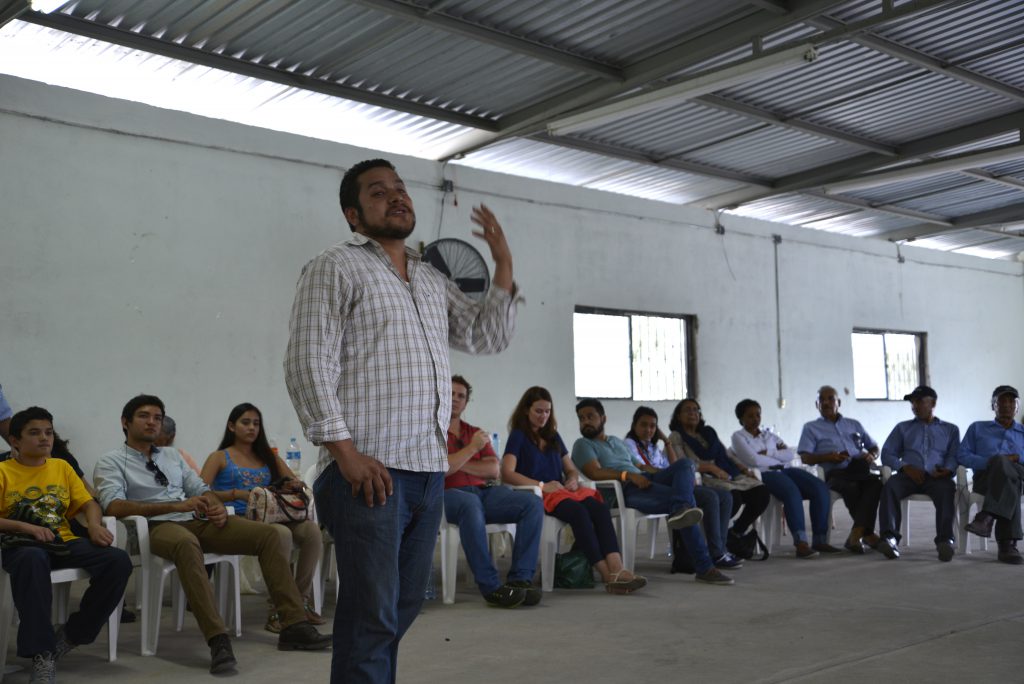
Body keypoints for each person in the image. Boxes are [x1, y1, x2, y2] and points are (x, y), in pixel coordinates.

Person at [284, 158, 519, 683]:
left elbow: (486, 337)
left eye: (400, 189)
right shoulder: (335, 267)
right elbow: (306, 361)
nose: (396, 197)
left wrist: (502, 263)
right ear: (353, 214)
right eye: (377, 192)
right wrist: (344, 452)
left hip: (428, 470)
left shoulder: (432, 279)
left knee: (402, 604)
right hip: (369, 469)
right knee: (374, 613)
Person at [94, 395, 330, 674]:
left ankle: (293, 624)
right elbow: (113, 505)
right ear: (125, 422)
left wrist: (213, 505)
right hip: (157, 528)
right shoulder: (111, 461)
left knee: (269, 535)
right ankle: (218, 639)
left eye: (157, 417)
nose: (152, 422)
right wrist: (175, 505)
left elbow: (199, 487)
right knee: (185, 543)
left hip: (196, 519)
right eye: (144, 416)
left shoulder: (172, 455)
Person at [0, 407, 132, 684]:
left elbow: (88, 503)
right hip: (21, 545)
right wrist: (27, 527)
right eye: (34, 433)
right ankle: (42, 653)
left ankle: (73, 634)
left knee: (117, 561)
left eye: (48, 432)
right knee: (32, 559)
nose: (44, 439)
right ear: (15, 441)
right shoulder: (3, 472)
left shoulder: (61, 467)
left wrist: (94, 526)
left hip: (63, 541)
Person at [571, 398, 735, 585]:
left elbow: (640, 465)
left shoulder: (616, 441)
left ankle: (682, 509)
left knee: (686, 465)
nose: (585, 421)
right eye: (581, 418)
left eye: (590, 416)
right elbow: (595, 472)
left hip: (645, 480)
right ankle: (705, 567)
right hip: (626, 490)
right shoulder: (582, 445)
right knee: (687, 504)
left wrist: (665, 474)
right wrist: (628, 476)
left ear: (603, 418)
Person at [500, 387, 646, 593]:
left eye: (547, 411)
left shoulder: (552, 435)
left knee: (599, 508)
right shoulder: (518, 436)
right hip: (538, 493)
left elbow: (570, 468)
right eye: (538, 411)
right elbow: (507, 473)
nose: (544, 416)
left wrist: (572, 479)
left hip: (561, 491)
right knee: (579, 513)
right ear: (526, 410)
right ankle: (606, 574)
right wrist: (541, 485)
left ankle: (618, 568)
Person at [200, 403, 325, 630]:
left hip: (273, 515)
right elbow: (200, 492)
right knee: (281, 533)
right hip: (237, 518)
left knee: (312, 532)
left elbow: (291, 482)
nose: (252, 428)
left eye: (256, 424)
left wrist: (294, 483)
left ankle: (300, 601)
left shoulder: (268, 456)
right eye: (245, 423)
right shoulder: (220, 457)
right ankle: (280, 607)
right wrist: (234, 494)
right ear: (231, 426)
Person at [444, 375, 543, 607]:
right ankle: (491, 587)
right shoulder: (432, 430)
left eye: (461, 396)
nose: (455, 399)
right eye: (450, 394)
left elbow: (493, 470)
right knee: (470, 504)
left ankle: (520, 580)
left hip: (484, 492)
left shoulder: (475, 432)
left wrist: (455, 462)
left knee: (532, 503)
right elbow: (441, 471)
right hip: (448, 496)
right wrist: (471, 450)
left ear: (466, 402)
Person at [730, 399, 841, 558]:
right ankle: (801, 543)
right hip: (764, 474)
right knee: (791, 492)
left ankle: (820, 540)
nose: (755, 419)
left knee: (820, 488)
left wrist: (768, 453)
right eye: (750, 416)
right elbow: (752, 460)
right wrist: (776, 456)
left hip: (785, 469)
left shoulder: (769, 435)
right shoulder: (738, 437)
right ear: (741, 418)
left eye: (758, 415)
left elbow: (789, 454)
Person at [668, 398, 770, 564]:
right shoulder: (676, 436)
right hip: (704, 477)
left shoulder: (708, 432)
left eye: (696, 410)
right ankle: (715, 542)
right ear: (678, 416)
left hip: (727, 473)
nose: (693, 413)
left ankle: (735, 533)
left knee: (761, 492)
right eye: (687, 410)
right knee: (732, 497)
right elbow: (682, 463)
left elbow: (726, 454)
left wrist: (744, 469)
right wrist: (710, 468)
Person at [877, 386, 959, 562]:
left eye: (920, 401)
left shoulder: (950, 430)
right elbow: (887, 453)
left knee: (947, 489)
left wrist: (948, 469)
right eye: (912, 402)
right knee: (890, 486)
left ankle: (945, 541)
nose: (915, 406)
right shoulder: (902, 428)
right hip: (908, 475)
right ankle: (889, 538)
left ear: (933, 403)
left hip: (936, 477)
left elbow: (953, 455)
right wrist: (904, 466)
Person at [797, 385, 882, 554]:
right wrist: (828, 457)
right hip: (836, 473)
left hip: (859, 469)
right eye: (822, 400)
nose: (826, 403)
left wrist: (871, 455)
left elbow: (874, 447)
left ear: (839, 402)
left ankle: (857, 533)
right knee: (852, 487)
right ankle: (866, 534)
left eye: (830, 399)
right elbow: (805, 457)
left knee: (876, 484)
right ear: (817, 405)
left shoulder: (854, 424)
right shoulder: (811, 428)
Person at [958, 385, 1024, 564]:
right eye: (1001, 401)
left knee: (1010, 473)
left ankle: (986, 517)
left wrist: (1018, 457)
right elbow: (962, 455)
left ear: (1017, 406)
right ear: (993, 405)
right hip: (986, 478)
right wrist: (989, 462)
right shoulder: (977, 428)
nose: (1007, 405)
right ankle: (1007, 546)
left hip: (1021, 474)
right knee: (1009, 479)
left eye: (1012, 401)